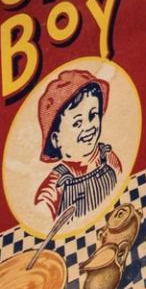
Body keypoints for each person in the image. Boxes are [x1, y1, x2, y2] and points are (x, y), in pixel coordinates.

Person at [34, 68, 124, 224]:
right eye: (77, 123)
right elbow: (42, 220)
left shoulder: (108, 157)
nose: (88, 127)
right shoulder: (53, 188)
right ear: (55, 139)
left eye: (93, 115)